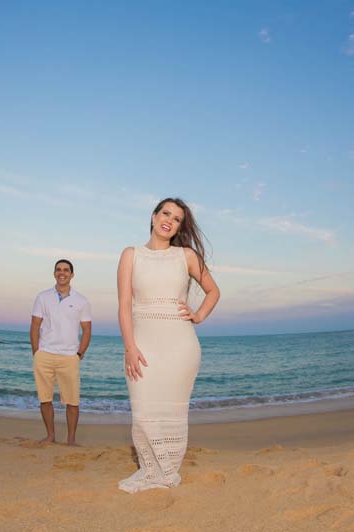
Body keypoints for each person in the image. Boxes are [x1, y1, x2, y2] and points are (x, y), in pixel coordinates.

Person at [117, 197, 220, 493]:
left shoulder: (186, 256)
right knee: (143, 410)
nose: (169, 221)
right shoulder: (130, 254)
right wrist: (130, 347)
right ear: (153, 216)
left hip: (180, 346)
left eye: (176, 219)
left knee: (173, 413)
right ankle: (149, 469)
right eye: (165, 214)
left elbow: (213, 291)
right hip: (143, 345)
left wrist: (198, 315)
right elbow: (124, 305)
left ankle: (167, 471)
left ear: (178, 227)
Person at [30, 259, 92, 445]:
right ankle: (50, 435)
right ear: (54, 273)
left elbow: (87, 330)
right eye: (58, 270)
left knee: (72, 402)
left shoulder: (82, 301)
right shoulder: (43, 297)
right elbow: (34, 326)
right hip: (45, 355)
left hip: (69, 357)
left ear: (72, 275)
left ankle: (71, 439)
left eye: (66, 270)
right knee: (45, 399)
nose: (62, 272)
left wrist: (79, 354)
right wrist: (37, 352)